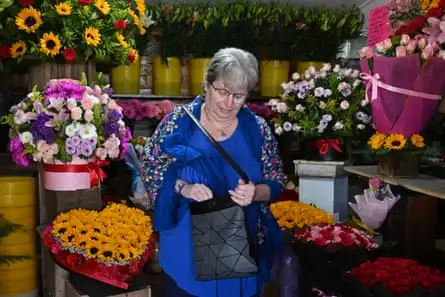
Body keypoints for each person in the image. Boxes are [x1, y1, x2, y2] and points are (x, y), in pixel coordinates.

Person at [137, 47, 286, 297]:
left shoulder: (257, 130)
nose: (229, 103)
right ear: (206, 83)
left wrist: (256, 192)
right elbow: (151, 167)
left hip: (239, 248)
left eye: (238, 96)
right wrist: (184, 187)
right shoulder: (178, 123)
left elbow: (277, 180)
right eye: (222, 91)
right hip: (187, 249)